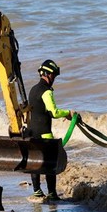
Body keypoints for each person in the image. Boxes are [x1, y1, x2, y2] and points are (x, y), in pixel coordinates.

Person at [26, 59, 73, 201]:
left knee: (35, 162)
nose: (54, 79)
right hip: (44, 132)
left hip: (32, 132)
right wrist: (68, 113)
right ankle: (52, 193)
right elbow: (53, 112)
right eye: (53, 75)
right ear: (46, 74)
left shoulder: (33, 89)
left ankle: (37, 192)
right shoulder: (46, 92)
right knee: (50, 163)